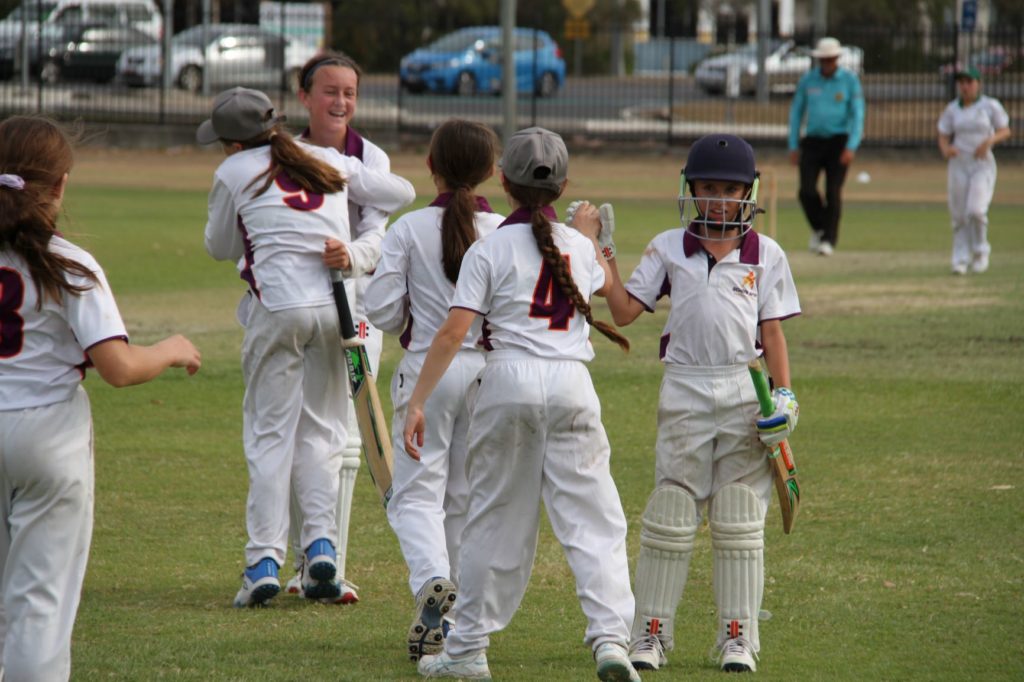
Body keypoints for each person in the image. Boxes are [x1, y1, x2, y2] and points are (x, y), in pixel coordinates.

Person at [403, 127, 641, 682]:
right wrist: (589, 235)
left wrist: (418, 401)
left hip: (507, 382)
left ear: (503, 181)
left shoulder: (488, 247)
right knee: (596, 522)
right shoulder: (580, 248)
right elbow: (605, 286)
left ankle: (467, 651)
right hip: (572, 385)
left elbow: (451, 334)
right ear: (561, 187)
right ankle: (611, 642)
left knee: (492, 521)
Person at [577, 134, 801, 673]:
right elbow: (626, 311)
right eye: (708, 188)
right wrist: (603, 253)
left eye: (730, 189)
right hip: (684, 387)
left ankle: (737, 637)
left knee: (740, 516)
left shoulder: (765, 254)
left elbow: (771, 334)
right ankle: (651, 634)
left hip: (745, 389)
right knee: (672, 509)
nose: (719, 200)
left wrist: (785, 395)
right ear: (691, 190)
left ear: (748, 192)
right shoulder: (668, 245)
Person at [0, 115, 201, 680]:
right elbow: (118, 367)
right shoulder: (68, 262)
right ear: (60, 184)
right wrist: (171, 349)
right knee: (38, 605)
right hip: (47, 437)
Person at [197, 87, 414, 608]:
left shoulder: (232, 172)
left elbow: (219, 246)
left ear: (231, 142)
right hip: (336, 308)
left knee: (271, 436)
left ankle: (263, 561)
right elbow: (402, 192)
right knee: (323, 432)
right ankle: (322, 553)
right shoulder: (328, 158)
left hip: (278, 310)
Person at [362, 118, 504, 662]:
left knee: (414, 497)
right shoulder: (503, 232)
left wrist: (408, 314)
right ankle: (456, 623)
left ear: (430, 167)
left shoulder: (408, 228)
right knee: (465, 500)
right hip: (489, 373)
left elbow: (378, 307)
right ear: (492, 171)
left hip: (428, 368)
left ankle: (432, 581)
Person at [285, 51, 393, 604]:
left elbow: (380, 234)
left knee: (346, 441)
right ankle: (302, 557)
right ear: (304, 96)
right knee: (295, 434)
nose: (341, 102)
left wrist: (348, 255)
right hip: (293, 311)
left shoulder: (370, 158)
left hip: (357, 314)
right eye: (330, 91)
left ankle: (330, 566)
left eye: (349, 92)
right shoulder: (282, 154)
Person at [788, 36, 865, 256]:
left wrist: (851, 146)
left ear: (837, 58)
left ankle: (829, 240)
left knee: (833, 191)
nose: (827, 64)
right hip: (812, 141)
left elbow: (858, 114)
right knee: (806, 191)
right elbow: (796, 113)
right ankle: (820, 228)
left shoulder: (849, 81)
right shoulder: (808, 81)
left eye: (831, 59)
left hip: (838, 141)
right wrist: (793, 144)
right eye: (824, 60)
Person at [937, 66, 1011, 275]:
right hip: (959, 163)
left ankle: (980, 251)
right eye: (962, 83)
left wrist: (989, 141)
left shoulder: (989, 106)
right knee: (959, 213)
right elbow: (943, 133)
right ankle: (960, 258)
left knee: (976, 210)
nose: (965, 86)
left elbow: (1005, 130)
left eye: (970, 82)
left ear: (978, 84)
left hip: (982, 163)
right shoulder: (953, 109)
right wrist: (946, 149)